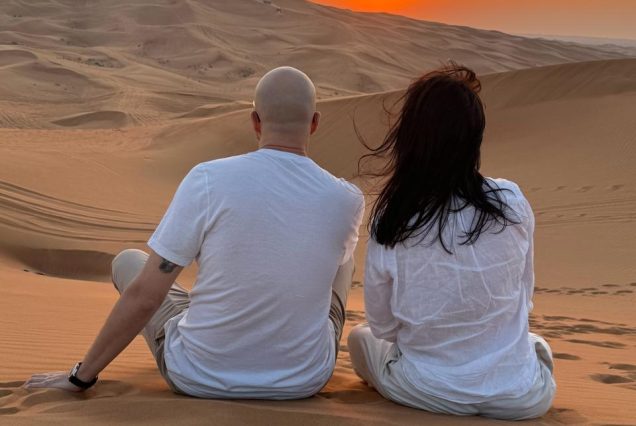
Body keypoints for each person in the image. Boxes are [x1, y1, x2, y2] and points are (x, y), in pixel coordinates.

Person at [25, 66, 365, 399]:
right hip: (302, 381)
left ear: (255, 121)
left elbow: (146, 296)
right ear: (315, 123)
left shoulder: (208, 179)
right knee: (343, 261)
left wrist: (81, 377)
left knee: (128, 262)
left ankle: (205, 325)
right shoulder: (347, 199)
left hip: (197, 374)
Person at [348, 63, 556, 420]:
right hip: (520, 399)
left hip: (424, 389)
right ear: (474, 138)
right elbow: (525, 297)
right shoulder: (511, 201)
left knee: (360, 338)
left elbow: (382, 326)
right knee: (537, 345)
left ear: (409, 137)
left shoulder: (394, 217)